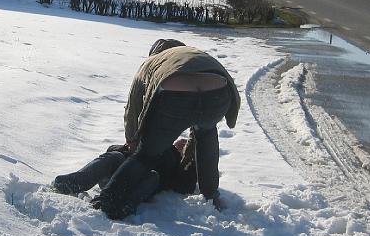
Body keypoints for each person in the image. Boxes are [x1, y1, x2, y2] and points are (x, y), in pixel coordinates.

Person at [94, 39, 240, 220]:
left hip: (176, 94)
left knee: (146, 154)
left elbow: (133, 109)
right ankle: (211, 195)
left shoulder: (151, 63)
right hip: (219, 93)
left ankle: (107, 198)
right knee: (207, 135)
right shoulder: (193, 53)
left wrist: (132, 141)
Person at [51, 137, 196, 205]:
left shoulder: (177, 165)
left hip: (136, 185)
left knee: (153, 176)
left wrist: (190, 161)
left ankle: (124, 204)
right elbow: (111, 149)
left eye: (185, 145)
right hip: (116, 175)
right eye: (180, 141)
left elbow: (185, 186)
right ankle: (74, 183)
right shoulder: (152, 142)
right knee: (114, 156)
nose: (181, 143)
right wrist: (127, 147)